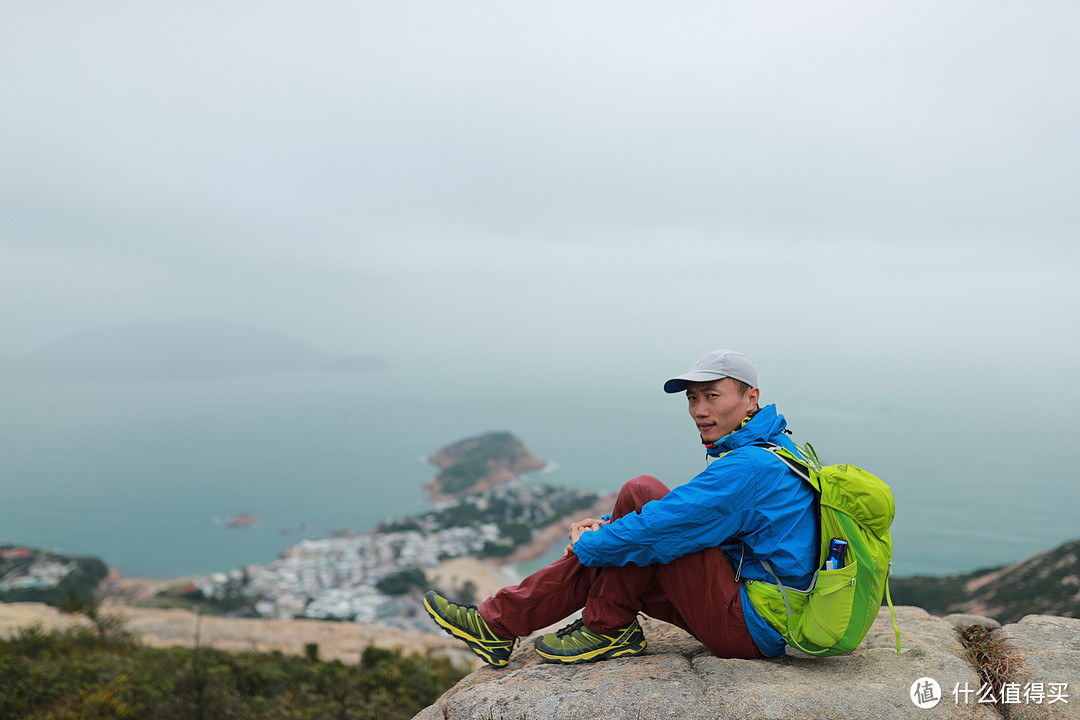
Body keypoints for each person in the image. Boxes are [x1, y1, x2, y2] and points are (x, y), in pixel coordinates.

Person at [423, 349, 818, 665]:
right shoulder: (773, 451)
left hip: (750, 626)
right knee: (635, 510)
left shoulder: (751, 465)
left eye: (712, 395)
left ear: (751, 398)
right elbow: (692, 517)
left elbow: (668, 523)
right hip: (745, 607)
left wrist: (590, 543)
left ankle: (597, 627)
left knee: (641, 493)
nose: (699, 410)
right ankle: (503, 626)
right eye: (693, 398)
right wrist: (611, 528)